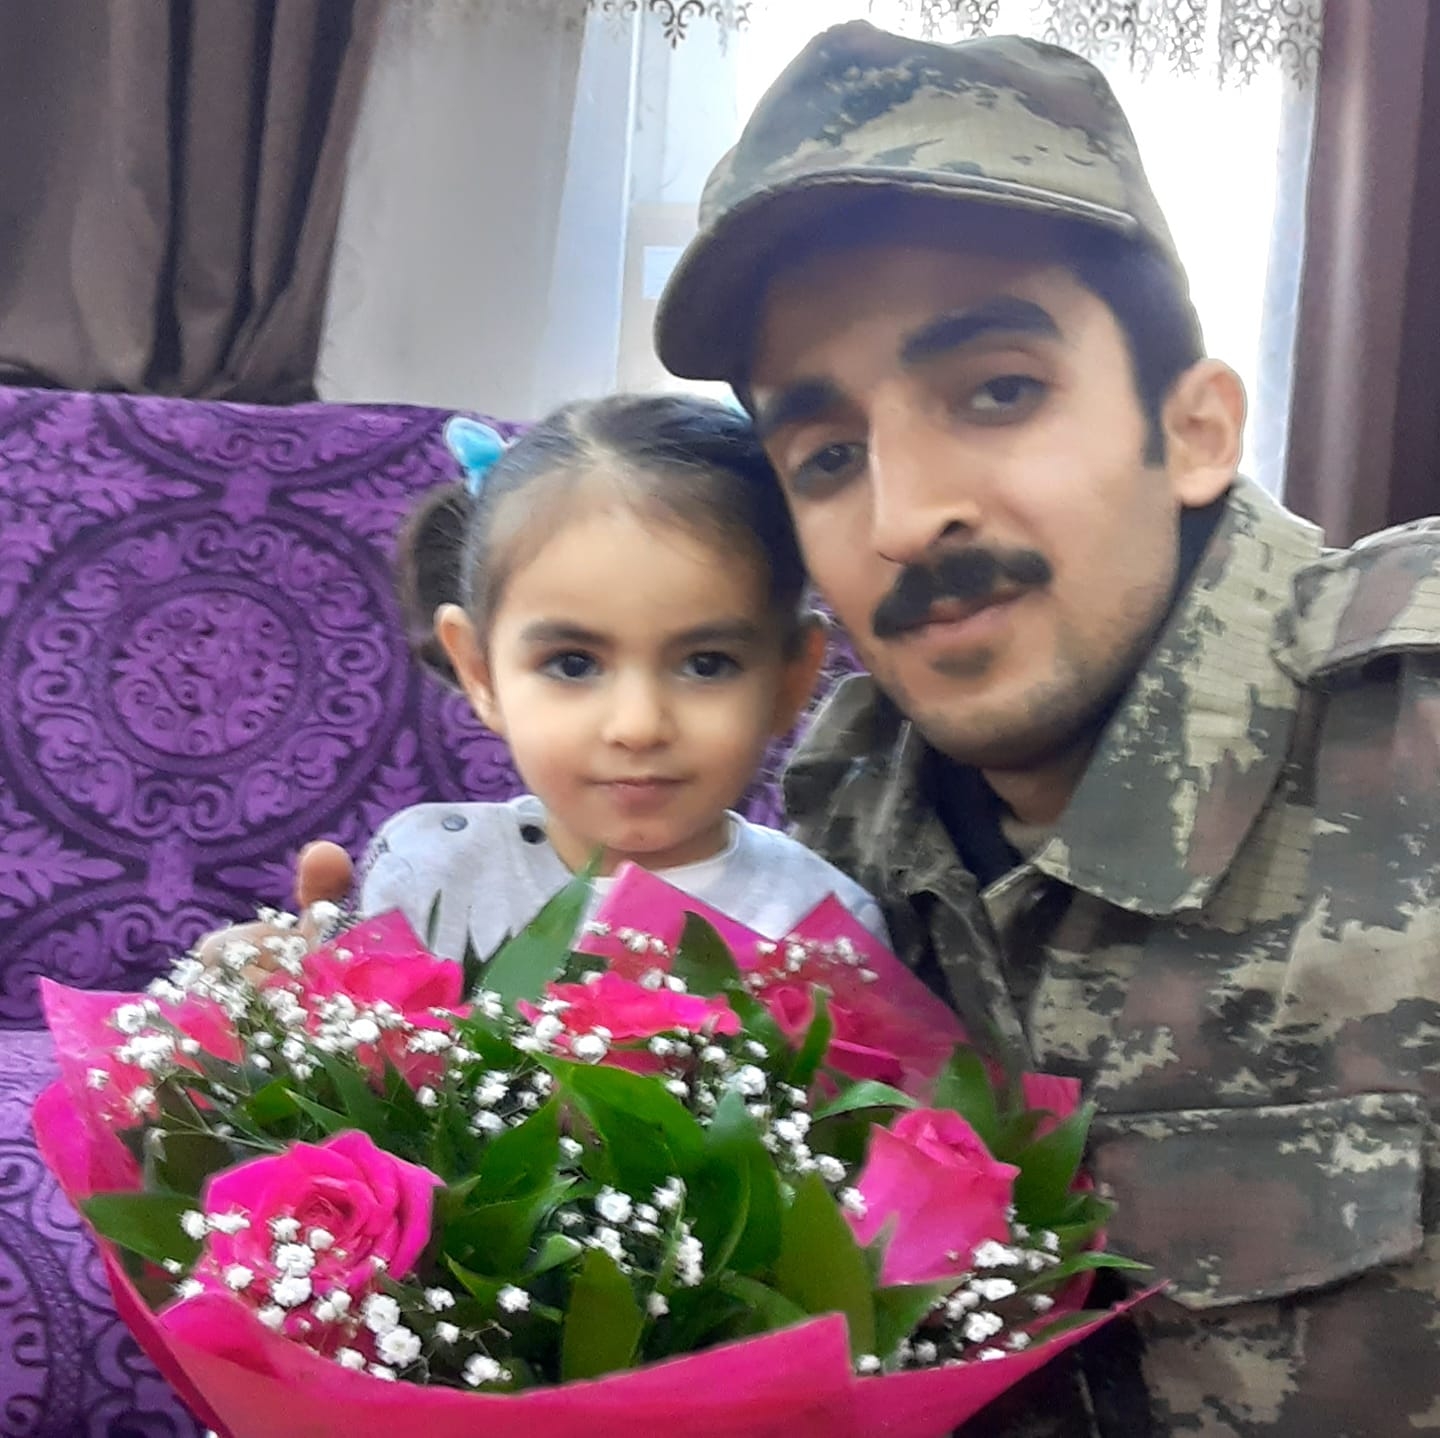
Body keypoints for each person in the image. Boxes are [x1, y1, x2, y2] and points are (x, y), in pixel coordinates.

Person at [642, 20, 1440, 1438]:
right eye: (828, 455)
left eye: (999, 390)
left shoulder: (1416, 720)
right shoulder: (834, 819)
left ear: (1195, 430)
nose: (905, 517)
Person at [201, 392, 884, 974]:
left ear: (791, 679)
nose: (638, 725)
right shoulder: (430, 874)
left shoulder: (820, 928)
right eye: (573, 664)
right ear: (479, 671)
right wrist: (260, 1016)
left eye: (707, 664)